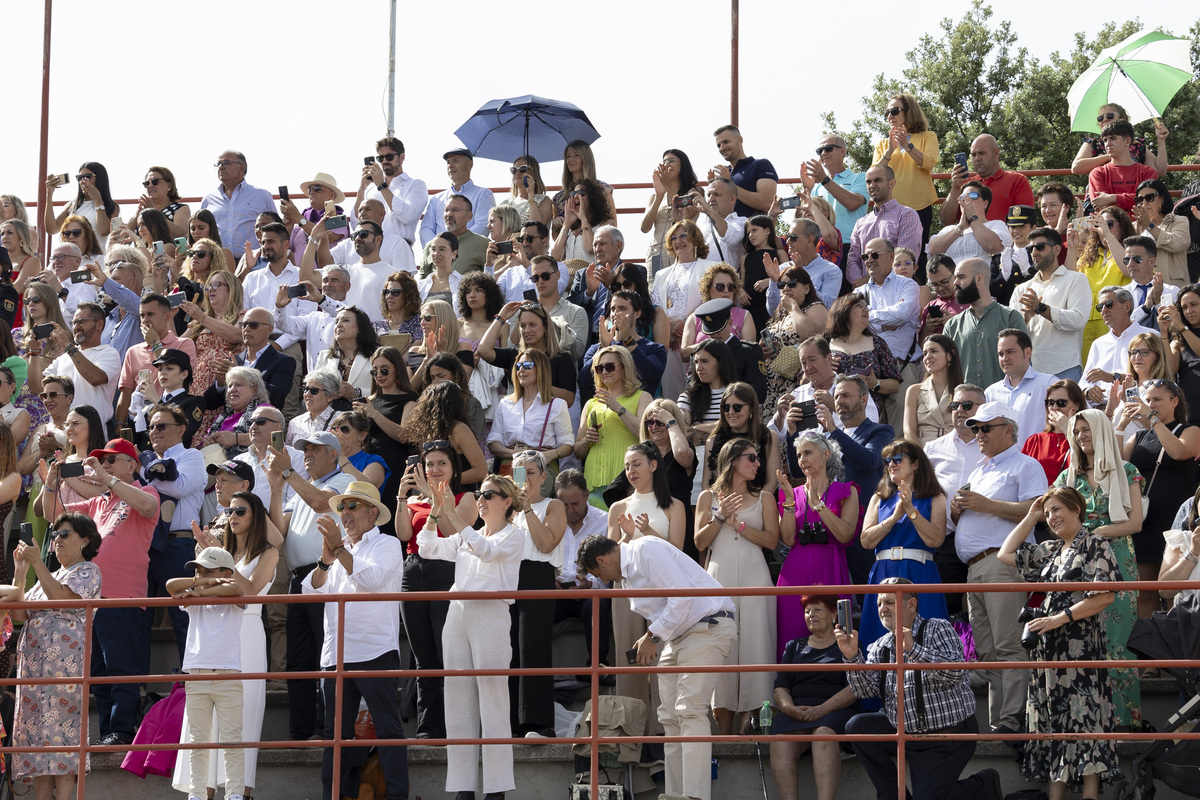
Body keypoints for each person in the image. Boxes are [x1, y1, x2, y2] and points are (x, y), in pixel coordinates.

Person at [579, 531, 736, 800]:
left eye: (598, 573)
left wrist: (653, 636)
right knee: (670, 717)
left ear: (603, 560)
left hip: (706, 626)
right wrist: (652, 636)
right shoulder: (630, 570)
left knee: (690, 711)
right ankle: (677, 794)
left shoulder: (644, 549)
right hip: (680, 635)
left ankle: (695, 796)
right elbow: (673, 605)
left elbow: (683, 597)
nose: (603, 581)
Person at [998, 487, 1122, 799]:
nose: (1052, 517)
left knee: (1086, 722)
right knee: (1051, 724)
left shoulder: (1095, 543)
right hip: (1046, 653)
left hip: (1080, 651)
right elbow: (1006, 554)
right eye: (1048, 511)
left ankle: (1090, 796)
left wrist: (1059, 618)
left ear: (1076, 509)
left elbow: (1105, 595)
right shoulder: (1050, 549)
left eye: (1057, 509)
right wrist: (1030, 516)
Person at [836, 578, 1002, 800]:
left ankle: (985, 783)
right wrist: (852, 657)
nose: (882, 609)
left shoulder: (938, 628)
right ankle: (892, 795)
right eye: (878, 604)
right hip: (907, 734)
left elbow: (954, 673)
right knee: (858, 726)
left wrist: (912, 649)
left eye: (889, 602)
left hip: (948, 737)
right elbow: (865, 691)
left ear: (911, 605)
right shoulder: (880, 646)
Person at [418, 475, 525, 800]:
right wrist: (436, 511)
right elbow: (427, 546)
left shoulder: (514, 535)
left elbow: (488, 552)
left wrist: (453, 515)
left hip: (491, 612)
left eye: (489, 494)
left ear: (507, 502)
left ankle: (496, 789)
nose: (481, 499)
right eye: (479, 493)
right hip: (459, 612)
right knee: (458, 700)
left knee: (493, 700)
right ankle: (463, 787)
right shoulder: (471, 534)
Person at [301, 481, 408, 800]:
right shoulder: (338, 549)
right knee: (337, 737)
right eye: (342, 507)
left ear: (372, 513)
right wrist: (325, 560)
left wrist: (338, 550)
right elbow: (310, 591)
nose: (345, 513)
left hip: (375, 651)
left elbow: (373, 580)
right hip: (336, 655)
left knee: (388, 730)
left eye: (353, 506)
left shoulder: (387, 544)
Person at [951, 401, 1048, 735]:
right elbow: (971, 515)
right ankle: (1000, 722)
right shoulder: (980, 469)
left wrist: (984, 504)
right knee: (989, 651)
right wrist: (958, 510)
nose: (978, 434)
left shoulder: (1026, 465)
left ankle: (1012, 720)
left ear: (1008, 429)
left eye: (985, 428)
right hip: (976, 566)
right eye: (976, 428)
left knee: (1008, 646)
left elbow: (1038, 511)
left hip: (1003, 562)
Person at [173, 490, 276, 800]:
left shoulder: (268, 551)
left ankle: (238, 793)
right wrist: (213, 560)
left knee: (240, 722)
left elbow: (251, 590)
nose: (233, 515)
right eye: (230, 510)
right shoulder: (218, 554)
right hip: (212, 637)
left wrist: (224, 561)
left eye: (240, 510)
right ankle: (202, 792)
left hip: (247, 631)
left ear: (257, 516)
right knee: (202, 725)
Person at [1054, 409, 1144, 727]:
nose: (1081, 435)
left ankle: (1123, 725)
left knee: (1118, 644)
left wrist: (1097, 532)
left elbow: (1135, 522)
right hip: (1080, 563)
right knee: (1082, 644)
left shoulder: (1127, 470)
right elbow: (1054, 515)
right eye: (1076, 431)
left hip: (1118, 559)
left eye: (1086, 429)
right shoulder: (1069, 476)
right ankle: (1089, 723)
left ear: (1102, 431)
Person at [10, 513, 103, 794]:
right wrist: (21, 569)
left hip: (63, 672)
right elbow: (19, 614)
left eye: (66, 534)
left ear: (85, 540)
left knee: (63, 744)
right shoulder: (48, 575)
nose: (58, 540)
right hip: (34, 674)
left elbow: (62, 597)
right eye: (56, 534)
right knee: (37, 745)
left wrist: (38, 562)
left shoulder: (88, 570)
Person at [395, 441, 479, 741]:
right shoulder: (415, 498)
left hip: (446, 572)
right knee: (423, 657)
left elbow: (453, 532)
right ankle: (428, 728)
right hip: (412, 570)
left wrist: (435, 499)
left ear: (454, 468)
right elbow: (404, 534)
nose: (434, 469)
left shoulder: (464, 497)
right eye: (429, 464)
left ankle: (457, 726)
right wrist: (402, 497)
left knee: (449, 654)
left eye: (441, 463)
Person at [696, 437, 778, 735]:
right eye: (752, 458)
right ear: (733, 460)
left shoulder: (765, 498)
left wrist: (739, 525)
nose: (758, 464)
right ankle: (723, 735)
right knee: (721, 651)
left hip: (757, 576)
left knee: (757, 649)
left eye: (758, 458)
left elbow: (772, 541)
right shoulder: (708, 497)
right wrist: (719, 517)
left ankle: (751, 728)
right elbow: (699, 542)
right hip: (719, 578)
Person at [165, 547, 247, 800]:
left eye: (207, 570)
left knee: (232, 739)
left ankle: (234, 793)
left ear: (226, 571)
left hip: (228, 674)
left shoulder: (225, 598)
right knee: (197, 740)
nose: (200, 575)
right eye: (198, 571)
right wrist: (203, 582)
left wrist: (200, 590)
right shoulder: (194, 596)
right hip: (197, 673)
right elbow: (170, 585)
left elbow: (236, 590)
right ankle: (197, 794)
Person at [768, 594, 864, 800]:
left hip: (837, 710)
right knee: (779, 740)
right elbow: (780, 687)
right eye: (807, 611)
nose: (811, 615)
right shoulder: (793, 646)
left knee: (823, 734)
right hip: (798, 713)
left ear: (833, 614)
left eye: (817, 610)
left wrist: (823, 709)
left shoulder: (848, 643)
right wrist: (789, 708)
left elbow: (855, 688)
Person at [1120, 378, 1200, 617]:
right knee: (1146, 592)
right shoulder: (1140, 437)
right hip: (1144, 520)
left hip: (1176, 520)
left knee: (1175, 592)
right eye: (1148, 400)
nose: (1150, 404)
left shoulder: (1191, 430)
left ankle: (1178, 648)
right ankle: (1149, 652)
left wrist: (1152, 419)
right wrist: (1120, 425)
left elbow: (1179, 452)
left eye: (1157, 399)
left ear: (1174, 401)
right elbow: (1118, 466)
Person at [775, 431, 861, 652]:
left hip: (830, 567)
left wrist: (818, 505)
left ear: (826, 454)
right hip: (795, 571)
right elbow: (787, 539)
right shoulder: (790, 493)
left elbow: (845, 535)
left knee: (835, 635)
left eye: (808, 452)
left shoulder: (847, 491)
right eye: (799, 454)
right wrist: (790, 505)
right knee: (791, 633)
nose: (802, 459)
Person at [859, 439, 949, 646]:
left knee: (925, 634)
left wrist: (911, 511)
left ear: (916, 464)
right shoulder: (879, 498)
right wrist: (893, 517)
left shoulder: (935, 497)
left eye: (898, 458)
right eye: (887, 460)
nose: (891, 463)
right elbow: (866, 541)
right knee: (878, 635)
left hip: (920, 572)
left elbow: (935, 539)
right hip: (884, 571)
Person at [506, 451, 567, 739]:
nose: (526, 479)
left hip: (537, 576)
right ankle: (511, 722)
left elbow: (545, 544)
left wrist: (527, 508)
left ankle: (538, 722)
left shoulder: (552, 505)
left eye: (531, 472)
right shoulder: (508, 509)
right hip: (507, 579)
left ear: (544, 477)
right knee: (509, 651)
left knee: (533, 647)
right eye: (520, 473)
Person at [924, 384, 987, 614]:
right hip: (946, 540)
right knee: (949, 611)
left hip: (983, 541)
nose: (960, 410)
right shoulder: (932, 448)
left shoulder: (993, 446)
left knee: (981, 613)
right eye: (955, 405)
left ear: (984, 408)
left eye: (967, 405)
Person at [1009, 227, 1092, 380]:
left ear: (1056, 250)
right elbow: (1012, 333)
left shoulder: (1075, 279)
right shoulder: (1021, 289)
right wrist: (1026, 316)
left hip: (1065, 369)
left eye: (1040, 247)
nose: (1034, 252)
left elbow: (1078, 320)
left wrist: (1041, 308)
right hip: (1030, 370)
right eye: (1030, 248)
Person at [853, 238, 922, 424]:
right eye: (865, 256)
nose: (869, 260)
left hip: (902, 367)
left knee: (901, 435)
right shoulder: (858, 292)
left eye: (875, 255)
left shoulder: (907, 285)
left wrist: (867, 316)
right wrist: (887, 321)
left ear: (891, 256)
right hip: (868, 372)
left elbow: (901, 314)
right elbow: (852, 323)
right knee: (871, 433)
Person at [552, 469, 613, 671]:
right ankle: (538, 671)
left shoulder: (604, 522)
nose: (569, 510)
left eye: (575, 503)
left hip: (590, 591)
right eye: (564, 504)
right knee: (534, 607)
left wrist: (591, 584)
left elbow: (612, 568)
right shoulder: (549, 522)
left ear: (587, 495)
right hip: (556, 593)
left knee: (598, 605)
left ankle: (597, 668)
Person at [574, 346, 651, 505]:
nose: (604, 372)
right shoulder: (591, 403)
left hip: (626, 480)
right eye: (599, 368)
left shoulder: (642, 397)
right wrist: (586, 441)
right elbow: (577, 452)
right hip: (593, 481)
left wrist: (617, 407)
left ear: (625, 367)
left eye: (609, 366)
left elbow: (646, 436)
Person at [652, 220, 717, 400]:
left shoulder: (709, 267)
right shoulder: (661, 274)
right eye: (674, 237)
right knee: (672, 393)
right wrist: (668, 327)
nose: (678, 241)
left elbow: (712, 299)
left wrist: (687, 325)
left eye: (683, 235)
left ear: (695, 239)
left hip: (698, 334)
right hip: (669, 339)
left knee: (699, 388)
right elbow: (655, 306)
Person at [487, 349, 573, 484]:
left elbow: (567, 444)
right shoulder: (505, 403)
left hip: (541, 465)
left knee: (533, 501)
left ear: (541, 369)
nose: (521, 370)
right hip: (510, 465)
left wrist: (547, 456)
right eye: (518, 366)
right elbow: (493, 442)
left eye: (527, 366)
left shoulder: (556, 404)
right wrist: (516, 454)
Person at [943, 257, 1028, 389]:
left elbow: (1024, 364)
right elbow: (946, 368)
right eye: (955, 278)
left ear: (979, 278)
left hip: (1003, 400)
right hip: (965, 404)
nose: (955, 283)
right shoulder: (952, 325)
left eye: (961, 277)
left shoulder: (1010, 318)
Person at [873, 94, 939, 262]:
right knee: (887, 256)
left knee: (916, 258)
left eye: (894, 111)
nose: (890, 116)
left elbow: (930, 163)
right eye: (887, 112)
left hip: (920, 207)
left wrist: (907, 146)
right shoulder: (882, 144)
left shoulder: (927, 136)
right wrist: (889, 151)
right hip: (889, 208)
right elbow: (874, 174)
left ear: (909, 112)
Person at [1067, 207, 1135, 360]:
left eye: (1109, 223)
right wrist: (1072, 248)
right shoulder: (1090, 254)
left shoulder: (1129, 251)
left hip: (1115, 321)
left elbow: (1128, 269)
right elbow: (1070, 279)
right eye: (1099, 225)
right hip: (1086, 323)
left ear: (1122, 225)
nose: (1103, 228)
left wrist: (1109, 236)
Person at [761, 265, 828, 414]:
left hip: (798, 383)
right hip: (773, 384)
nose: (786, 288)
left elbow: (809, 334)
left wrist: (792, 306)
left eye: (791, 284)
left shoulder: (815, 308)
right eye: (781, 285)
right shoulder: (781, 312)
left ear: (806, 288)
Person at [1079, 286, 1158, 409]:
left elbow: (1155, 375)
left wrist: (1112, 377)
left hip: (1137, 406)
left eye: (1109, 304)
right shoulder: (1098, 343)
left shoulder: (1150, 336)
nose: (1104, 310)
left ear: (1126, 306)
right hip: (1102, 410)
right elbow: (1084, 382)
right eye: (1100, 307)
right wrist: (1088, 392)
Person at [358, 136, 427, 272]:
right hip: (371, 248)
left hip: (400, 249)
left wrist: (381, 186)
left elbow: (408, 216)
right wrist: (362, 187)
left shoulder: (416, 185)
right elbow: (357, 221)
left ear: (401, 157)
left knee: (399, 291)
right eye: (380, 158)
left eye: (389, 157)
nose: (384, 161)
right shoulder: (371, 188)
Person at [846, 165, 923, 287]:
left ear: (892, 183)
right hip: (864, 292)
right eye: (868, 182)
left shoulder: (907, 215)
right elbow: (853, 260)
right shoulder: (861, 222)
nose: (872, 185)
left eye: (877, 180)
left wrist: (872, 281)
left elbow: (904, 258)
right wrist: (861, 284)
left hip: (897, 288)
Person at [825, 293, 902, 416]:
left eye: (866, 306)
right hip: (832, 413)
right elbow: (806, 379)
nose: (866, 309)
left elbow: (894, 385)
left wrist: (875, 383)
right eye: (859, 306)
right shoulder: (826, 343)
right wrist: (823, 367)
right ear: (844, 310)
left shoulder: (877, 343)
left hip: (869, 415)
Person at [704, 381, 780, 495]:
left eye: (737, 407)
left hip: (760, 505)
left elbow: (772, 482)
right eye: (726, 407)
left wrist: (753, 505)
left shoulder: (769, 437)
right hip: (724, 505)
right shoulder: (713, 441)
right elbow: (706, 485)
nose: (731, 412)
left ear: (751, 408)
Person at [985, 328, 1056, 448]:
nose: (1004, 358)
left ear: (1028, 353)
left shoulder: (1048, 384)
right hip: (1002, 464)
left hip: (1039, 463)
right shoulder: (990, 393)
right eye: (1000, 354)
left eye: (1010, 352)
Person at [805, 134, 868, 264]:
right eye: (819, 151)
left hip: (851, 247)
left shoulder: (859, 178)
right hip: (822, 249)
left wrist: (825, 180)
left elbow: (853, 203)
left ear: (842, 151)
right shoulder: (817, 188)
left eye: (828, 148)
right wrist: (807, 190)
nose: (823, 153)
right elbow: (808, 220)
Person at [200, 152, 276, 251]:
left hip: (253, 262)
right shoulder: (208, 199)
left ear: (242, 168)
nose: (221, 167)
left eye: (226, 163)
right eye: (218, 164)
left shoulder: (262, 195)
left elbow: (276, 228)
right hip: (219, 262)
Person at [420, 147, 494, 245]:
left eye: (455, 161)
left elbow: (482, 226)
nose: (450, 165)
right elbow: (426, 228)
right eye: (448, 162)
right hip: (438, 256)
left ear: (470, 165)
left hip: (469, 255)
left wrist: (454, 248)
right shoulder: (436, 199)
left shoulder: (484, 195)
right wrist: (437, 249)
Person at [680, 264, 755, 359]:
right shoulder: (695, 318)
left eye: (731, 287)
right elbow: (684, 354)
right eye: (720, 287)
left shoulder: (744, 316)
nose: (726, 291)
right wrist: (709, 345)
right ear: (708, 289)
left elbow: (749, 353)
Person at [1107, 333, 1174, 438]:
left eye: (1144, 352)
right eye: (1133, 353)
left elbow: (1160, 429)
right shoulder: (1126, 387)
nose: (1137, 357)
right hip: (1117, 450)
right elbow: (1109, 429)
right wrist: (1109, 410)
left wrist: (1129, 402)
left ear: (1158, 356)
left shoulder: (1165, 389)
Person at [1072, 103, 1168, 176]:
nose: (1104, 119)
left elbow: (1159, 171)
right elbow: (1076, 168)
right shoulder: (1093, 143)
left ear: (1123, 118)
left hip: (1132, 194)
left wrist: (1161, 141)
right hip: (1101, 196)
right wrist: (1108, 156)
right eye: (1100, 118)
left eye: (1110, 116)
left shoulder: (1136, 145)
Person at [927, 181, 1011, 263]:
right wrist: (960, 227)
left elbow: (993, 245)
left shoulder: (995, 225)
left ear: (985, 203)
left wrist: (972, 218)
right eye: (963, 196)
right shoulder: (950, 229)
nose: (967, 200)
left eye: (972, 196)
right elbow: (933, 250)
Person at [1087, 120, 1159, 214]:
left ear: (1127, 141)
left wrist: (1113, 198)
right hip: (1109, 227)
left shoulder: (1148, 172)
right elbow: (1100, 206)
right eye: (1105, 140)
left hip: (1142, 226)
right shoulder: (1097, 173)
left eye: (1113, 138)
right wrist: (1134, 199)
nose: (1108, 143)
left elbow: (1150, 202)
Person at [1022, 379, 1087, 485]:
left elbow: (1086, 465)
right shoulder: (1035, 440)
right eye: (1050, 403)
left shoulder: (1085, 437)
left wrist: (1069, 430)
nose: (1055, 408)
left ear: (1076, 405)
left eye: (1061, 403)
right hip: (1040, 498)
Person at [641, 149, 699, 263]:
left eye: (671, 161)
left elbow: (685, 216)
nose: (667, 164)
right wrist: (659, 196)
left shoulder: (694, 192)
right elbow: (644, 228)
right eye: (664, 161)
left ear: (683, 165)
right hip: (656, 252)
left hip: (682, 251)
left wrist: (669, 187)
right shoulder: (654, 196)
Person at [903, 334, 962, 447]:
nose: (928, 357)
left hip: (954, 449)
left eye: (933, 351)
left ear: (950, 355)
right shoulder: (914, 391)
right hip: (923, 451)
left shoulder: (962, 391)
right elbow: (909, 432)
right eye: (925, 353)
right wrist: (923, 460)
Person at [1131, 180, 1190, 289]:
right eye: (1140, 200)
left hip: (1172, 287)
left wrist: (1149, 226)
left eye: (1149, 198)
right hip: (1143, 288)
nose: (1144, 203)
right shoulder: (1134, 226)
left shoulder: (1178, 221)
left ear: (1162, 198)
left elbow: (1178, 243)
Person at [43, 162, 119, 243]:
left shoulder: (111, 206)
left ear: (100, 178)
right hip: (71, 253)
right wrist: (49, 194)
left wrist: (98, 201)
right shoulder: (73, 204)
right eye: (79, 177)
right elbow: (52, 229)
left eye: (87, 177)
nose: (82, 181)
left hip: (96, 254)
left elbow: (103, 231)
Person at [314, 307, 379, 400]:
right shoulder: (324, 356)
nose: (338, 325)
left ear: (360, 328)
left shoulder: (377, 355)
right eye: (336, 322)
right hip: (331, 412)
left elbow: (387, 392)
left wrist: (356, 392)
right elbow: (314, 389)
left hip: (365, 411)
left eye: (345, 320)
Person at [551, 179, 616, 265]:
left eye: (582, 193)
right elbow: (555, 257)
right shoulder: (571, 227)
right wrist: (566, 224)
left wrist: (583, 218)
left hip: (590, 276)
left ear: (593, 197)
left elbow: (591, 247)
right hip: (570, 276)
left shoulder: (606, 224)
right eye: (573, 194)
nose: (576, 196)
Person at [1122, 235, 1181, 330]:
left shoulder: (1172, 291)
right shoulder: (1120, 294)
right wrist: (1145, 307)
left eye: (1137, 259)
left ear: (1152, 261)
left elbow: (1175, 327)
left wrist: (1157, 303)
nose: (1131, 264)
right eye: (1126, 260)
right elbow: (1122, 327)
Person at [1161, 284, 1200, 423]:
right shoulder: (1178, 341)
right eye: (1184, 307)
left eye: (1194, 304)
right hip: (1189, 413)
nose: (1189, 311)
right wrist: (1164, 333)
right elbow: (1170, 370)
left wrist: (1183, 328)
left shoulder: (1183, 331)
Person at [552, 140, 613, 223]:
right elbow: (555, 236)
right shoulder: (558, 198)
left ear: (586, 158)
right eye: (568, 156)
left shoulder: (602, 189)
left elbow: (613, 225)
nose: (571, 159)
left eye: (576, 155)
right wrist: (557, 225)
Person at [993, 205, 1038, 305]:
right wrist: (1003, 276)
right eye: (1013, 227)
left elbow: (1045, 288)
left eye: (1022, 226)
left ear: (1033, 228)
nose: (1016, 231)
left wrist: (1028, 272)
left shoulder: (1040, 255)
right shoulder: (999, 258)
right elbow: (991, 293)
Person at [331, 410, 388, 489]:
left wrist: (341, 456)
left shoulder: (373, 461)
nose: (338, 434)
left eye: (344, 430)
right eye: (335, 430)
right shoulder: (329, 461)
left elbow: (365, 489)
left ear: (362, 435)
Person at [918, 254, 968, 343]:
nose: (940, 288)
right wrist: (927, 329)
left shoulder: (971, 302)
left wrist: (955, 324)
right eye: (934, 285)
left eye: (944, 282)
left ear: (955, 274)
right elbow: (921, 347)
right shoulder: (930, 307)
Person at [502, 154, 553, 227]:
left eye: (523, 169)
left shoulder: (544, 200)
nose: (517, 173)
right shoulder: (506, 202)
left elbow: (537, 226)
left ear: (534, 174)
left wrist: (531, 194)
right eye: (514, 170)